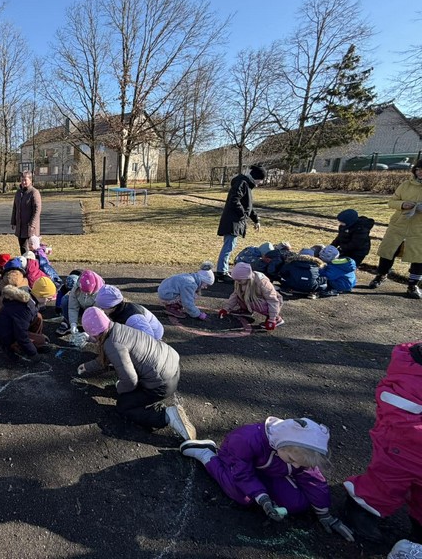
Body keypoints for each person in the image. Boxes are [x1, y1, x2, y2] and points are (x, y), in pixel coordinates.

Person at [180, 416, 353, 542]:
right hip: (235, 461)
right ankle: (207, 455)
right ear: (281, 444)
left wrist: (325, 514)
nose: (297, 466)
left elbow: (313, 480)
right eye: (292, 460)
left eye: (301, 464)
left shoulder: (300, 454)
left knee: (297, 504)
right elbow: (242, 474)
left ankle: (262, 492)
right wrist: (262, 498)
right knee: (242, 496)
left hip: (270, 470)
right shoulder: (246, 440)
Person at [342, 341, 422, 545]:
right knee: (385, 484)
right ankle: (361, 509)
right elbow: (400, 417)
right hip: (403, 447)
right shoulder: (411, 377)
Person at [76, 308, 195, 440]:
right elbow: (107, 356)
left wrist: (120, 388)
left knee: (124, 406)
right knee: (126, 385)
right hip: (171, 365)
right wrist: (87, 366)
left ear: (94, 333)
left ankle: (166, 416)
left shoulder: (112, 344)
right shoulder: (117, 328)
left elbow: (130, 380)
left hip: (163, 383)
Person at [369, 159, 422, 298]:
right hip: (399, 225)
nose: (420, 172)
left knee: (418, 257)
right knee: (388, 251)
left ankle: (413, 285)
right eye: (418, 169)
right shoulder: (405, 185)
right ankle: (380, 276)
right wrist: (402, 204)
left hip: (419, 229)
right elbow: (392, 202)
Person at [215, 165, 265, 282]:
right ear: (257, 177)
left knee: (229, 246)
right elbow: (234, 200)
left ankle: (222, 270)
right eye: (261, 180)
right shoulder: (242, 183)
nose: (261, 182)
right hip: (233, 221)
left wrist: (256, 220)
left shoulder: (246, 185)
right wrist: (242, 214)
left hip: (235, 220)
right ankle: (222, 272)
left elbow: (248, 207)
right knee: (228, 246)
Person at [0, 278, 51, 361]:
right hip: (8, 337)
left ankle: (34, 343)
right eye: (48, 297)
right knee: (41, 340)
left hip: (11, 329)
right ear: (41, 295)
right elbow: (21, 336)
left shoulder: (29, 297)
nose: (49, 300)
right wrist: (33, 354)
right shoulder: (25, 309)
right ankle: (16, 348)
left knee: (38, 317)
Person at [219, 261, 284, 330]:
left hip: (273, 302)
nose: (237, 282)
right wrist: (226, 308)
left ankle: (277, 318)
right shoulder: (242, 281)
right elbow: (235, 295)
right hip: (257, 298)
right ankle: (246, 310)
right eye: (236, 280)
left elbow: (272, 300)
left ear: (247, 277)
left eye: (239, 280)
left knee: (253, 299)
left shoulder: (262, 283)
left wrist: (272, 319)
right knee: (240, 293)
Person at [95, 284, 164, 339]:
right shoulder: (119, 309)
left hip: (154, 335)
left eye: (102, 308)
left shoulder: (133, 318)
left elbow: (149, 337)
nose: (101, 310)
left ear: (112, 307)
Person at [11, 171, 42, 256]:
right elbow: (15, 208)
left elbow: (37, 210)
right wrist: (13, 222)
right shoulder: (18, 193)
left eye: (25, 180)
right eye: (22, 180)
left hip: (31, 228)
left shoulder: (34, 192)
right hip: (20, 227)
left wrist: (32, 224)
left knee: (33, 251)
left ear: (30, 180)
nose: (23, 182)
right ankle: (25, 263)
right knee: (23, 249)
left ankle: (34, 264)